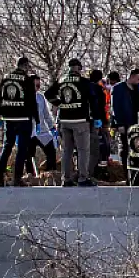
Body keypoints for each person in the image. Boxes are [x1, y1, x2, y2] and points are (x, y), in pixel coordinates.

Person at [49, 58, 96, 188]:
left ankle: (66, 178)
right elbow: (93, 100)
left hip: (64, 120)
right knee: (83, 151)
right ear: (79, 68)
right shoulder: (84, 82)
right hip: (80, 120)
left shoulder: (61, 80)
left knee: (66, 151)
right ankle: (83, 178)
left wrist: (60, 104)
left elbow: (48, 93)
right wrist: (95, 117)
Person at [0, 57, 37, 187]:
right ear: (25, 66)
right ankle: (17, 178)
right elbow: (31, 101)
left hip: (9, 118)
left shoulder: (5, 78)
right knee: (22, 149)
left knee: (7, 146)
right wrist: (36, 119)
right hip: (23, 118)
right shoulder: (27, 80)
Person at [30, 75, 59, 176]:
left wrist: (52, 127)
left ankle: (50, 174)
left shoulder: (40, 97)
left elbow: (46, 114)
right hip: (28, 131)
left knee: (51, 151)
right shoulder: (23, 97)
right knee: (28, 156)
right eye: (35, 85)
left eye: (39, 85)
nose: (37, 87)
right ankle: (30, 177)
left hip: (42, 131)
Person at [88, 67, 112, 165]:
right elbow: (100, 107)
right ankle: (102, 164)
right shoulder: (99, 90)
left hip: (85, 120)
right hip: (97, 120)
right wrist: (104, 121)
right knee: (102, 143)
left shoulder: (85, 86)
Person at [113, 68, 139, 134]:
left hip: (137, 122)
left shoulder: (138, 88)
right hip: (125, 123)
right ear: (132, 76)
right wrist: (119, 124)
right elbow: (115, 107)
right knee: (126, 143)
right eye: (138, 79)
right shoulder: (118, 87)